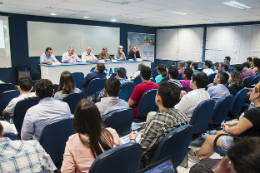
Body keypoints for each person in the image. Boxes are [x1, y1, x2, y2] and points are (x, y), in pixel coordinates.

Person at [188, 83, 260, 163]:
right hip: (253, 141)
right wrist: (234, 123)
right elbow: (250, 122)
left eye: (253, 91)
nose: (250, 93)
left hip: (244, 144)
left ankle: (195, 155)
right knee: (217, 133)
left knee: (209, 139)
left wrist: (227, 129)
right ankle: (202, 159)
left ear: (257, 94)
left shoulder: (254, 112)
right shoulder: (256, 111)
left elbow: (235, 131)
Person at [129, 82, 188, 168]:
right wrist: (148, 131)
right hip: (171, 159)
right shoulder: (182, 115)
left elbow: (139, 153)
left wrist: (132, 139)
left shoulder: (156, 121)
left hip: (151, 164)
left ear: (158, 98)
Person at [61, 98, 122, 172]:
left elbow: (66, 171)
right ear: (97, 116)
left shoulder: (72, 141)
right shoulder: (111, 132)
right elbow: (120, 159)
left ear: (76, 120)